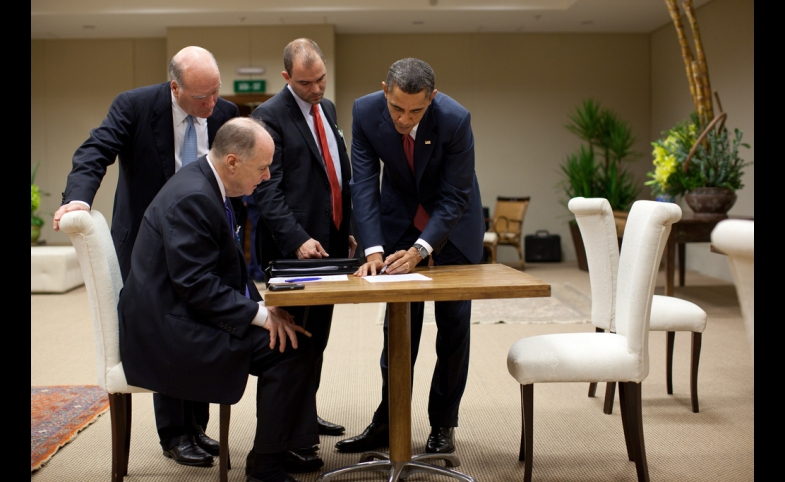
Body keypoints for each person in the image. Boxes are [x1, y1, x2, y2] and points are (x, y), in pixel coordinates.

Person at [53, 46, 239, 467]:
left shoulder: (224, 111)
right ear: (175, 87)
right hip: (147, 243)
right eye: (200, 97)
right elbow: (94, 151)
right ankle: (174, 434)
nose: (210, 105)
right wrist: (79, 199)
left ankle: (196, 425)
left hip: (204, 243)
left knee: (204, 327)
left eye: (215, 93)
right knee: (169, 331)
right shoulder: (136, 106)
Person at [119, 117, 318, 482]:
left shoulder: (206, 183)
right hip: (167, 331)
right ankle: (268, 465)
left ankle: (282, 447)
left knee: (294, 336)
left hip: (182, 312)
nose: (267, 176)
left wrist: (262, 307)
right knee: (291, 349)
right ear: (232, 162)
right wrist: (259, 317)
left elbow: (225, 273)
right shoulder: (194, 196)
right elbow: (196, 285)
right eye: (262, 167)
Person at [337, 58, 485, 455]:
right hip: (398, 219)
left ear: (432, 98)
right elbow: (364, 182)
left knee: (453, 328)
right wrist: (372, 248)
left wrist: (423, 249)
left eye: (416, 110)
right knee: (399, 328)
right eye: (397, 107)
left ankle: (443, 425)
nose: (404, 118)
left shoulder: (455, 119)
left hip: (451, 228)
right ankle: (388, 421)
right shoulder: (366, 111)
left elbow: (455, 195)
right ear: (385, 89)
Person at [251, 38, 355, 471]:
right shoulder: (267, 116)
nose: (316, 90)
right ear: (286, 78)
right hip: (294, 251)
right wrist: (297, 239)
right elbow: (267, 189)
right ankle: (288, 439)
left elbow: (336, 174)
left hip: (329, 244)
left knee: (318, 339)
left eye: (321, 80)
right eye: (307, 83)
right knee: (292, 342)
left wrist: (343, 230)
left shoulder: (326, 110)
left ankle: (303, 420)